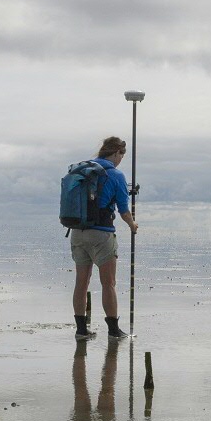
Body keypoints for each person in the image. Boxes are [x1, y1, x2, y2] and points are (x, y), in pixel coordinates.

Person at [69, 135, 137, 338]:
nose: (121, 159)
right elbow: (124, 211)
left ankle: (81, 330)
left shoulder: (83, 170)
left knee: (81, 282)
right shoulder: (116, 175)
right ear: (116, 152)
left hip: (77, 232)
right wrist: (132, 225)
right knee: (108, 283)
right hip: (102, 234)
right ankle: (114, 331)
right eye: (121, 155)